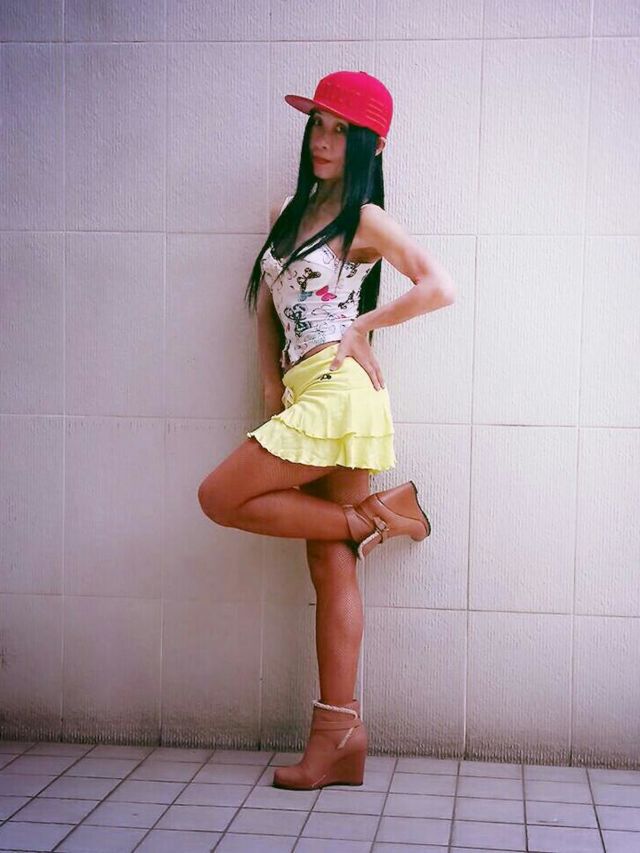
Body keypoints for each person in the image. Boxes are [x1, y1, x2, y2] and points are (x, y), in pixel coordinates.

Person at [197, 70, 456, 790]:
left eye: (342, 130)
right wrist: (268, 382)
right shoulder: (286, 211)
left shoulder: (365, 219)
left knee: (219, 496)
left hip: (342, 392)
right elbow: (265, 303)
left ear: (371, 145)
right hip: (302, 391)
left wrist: (364, 325)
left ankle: (368, 518)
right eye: (318, 123)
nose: (324, 139)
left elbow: (440, 284)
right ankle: (339, 734)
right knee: (329, 563)